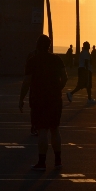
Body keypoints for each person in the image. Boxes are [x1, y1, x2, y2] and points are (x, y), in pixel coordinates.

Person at [19, 34, 68, 171]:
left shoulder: (32, 61)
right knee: (55, 129)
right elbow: (65, 77)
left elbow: (26, 82)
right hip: (55, 99)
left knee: (42, 131)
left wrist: (21, 98)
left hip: (39, 99)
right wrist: (58, 89)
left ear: (37, 46)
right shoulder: (57, 59)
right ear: (49, 46)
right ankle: (58, 161)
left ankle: (42, 162)